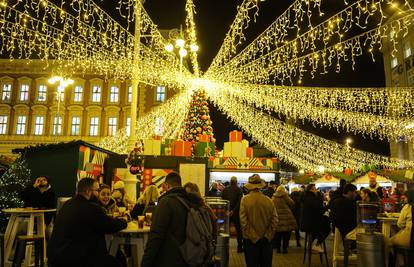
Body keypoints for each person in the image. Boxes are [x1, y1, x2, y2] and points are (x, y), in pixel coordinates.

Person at [47, 178, 127, 267]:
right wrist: (124, 221)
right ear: (88, 192)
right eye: (97, 190)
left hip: (56, 257)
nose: (98, 193)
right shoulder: (91, 208)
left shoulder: (68, 204)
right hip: (76, 259)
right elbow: (110, 226)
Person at [142, 172, 205, 267]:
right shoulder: (190, 201)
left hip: (169, 258)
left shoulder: (166, 202)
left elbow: (156, 235)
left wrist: (146, 262)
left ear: (166, 186)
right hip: (190, 255)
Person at [240, 174, 278, 267]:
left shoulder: (244, 200)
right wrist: (267, 235)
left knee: (252, 263)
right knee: (266, 263)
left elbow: (243, 222)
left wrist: (254, 237)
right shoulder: (269, 200)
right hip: (266, 240)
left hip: (250, 240)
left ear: (249, 187)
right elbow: (275, 220)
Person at [301, 184, 330, 253]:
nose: (316, 190)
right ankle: (317, 244)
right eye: (314, 189)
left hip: (306, 222)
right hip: (311, 223)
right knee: (327, 227)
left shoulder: (306, 197)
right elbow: (319, 209)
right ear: (310, 190)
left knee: (320, 226)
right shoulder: (312, 198)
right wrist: (327, 207)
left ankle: (310, 243)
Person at [221, 176, 244, 252]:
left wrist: (227, 210)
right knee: (239, 230)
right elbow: (240, 202)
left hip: (227, 213)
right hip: (236, 213)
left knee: (225, 230)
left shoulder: (225, 190)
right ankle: (240, 247)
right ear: (236, 182)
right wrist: (233, 211)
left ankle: (224, 246)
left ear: (230, 181)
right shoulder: (239, 190)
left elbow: (223, 201)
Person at [272, 185, 297, 254]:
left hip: (277, 217)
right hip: (286, 217)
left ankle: (278, 249)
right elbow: (292, 203)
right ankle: (285, 249)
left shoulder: (273, 197)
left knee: (278, 234)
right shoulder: (285, 196)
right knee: (286, 233)